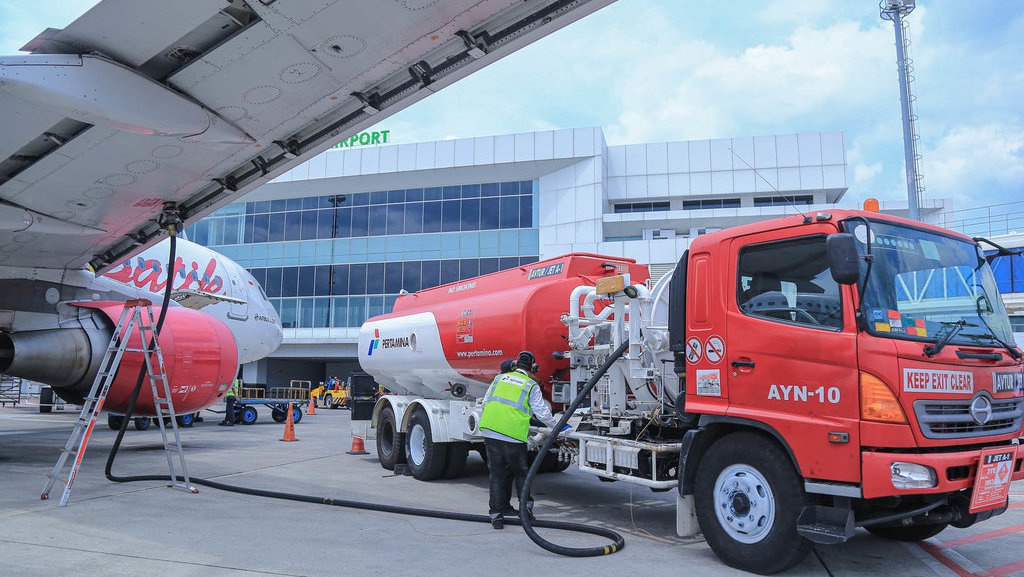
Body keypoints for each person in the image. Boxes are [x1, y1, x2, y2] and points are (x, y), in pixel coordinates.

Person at [479, 351, 570, 529]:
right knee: (521, 473)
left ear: (515, 364)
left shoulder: (499, 379)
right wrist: (558, 426)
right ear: (533, 368)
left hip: (490, 431)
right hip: (512, 434)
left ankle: (497, 515)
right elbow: (542, 412)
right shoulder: (530, 385)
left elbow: (485, 403)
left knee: (497, 474)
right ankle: (524, 511)